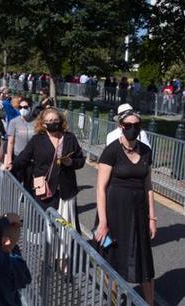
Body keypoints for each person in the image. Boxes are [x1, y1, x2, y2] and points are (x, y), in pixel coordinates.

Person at [94, 110, 156, 306]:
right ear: (121, 126)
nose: (132, 129)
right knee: (112, 258)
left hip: (138, 213)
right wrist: (103, 222)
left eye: (136, 125)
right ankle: (113, 301)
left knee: (144, 258)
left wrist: (152, 218)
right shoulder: (111, 150)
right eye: (128, 125)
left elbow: (148, 187)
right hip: (113, 213)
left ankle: (150, 302)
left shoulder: (146, 151)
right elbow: (101, 188)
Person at [11, 108, 85, 224]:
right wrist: (10, 166)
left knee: (65, 225)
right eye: (49, 121)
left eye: (56, 120)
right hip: (45, 190)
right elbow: (23, 158)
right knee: (44, 224)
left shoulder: (70, 138)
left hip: (66, 191)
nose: (53, 123)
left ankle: (63, 242)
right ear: (43, 124)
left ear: (61, 121)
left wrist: (71, 162)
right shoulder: (37, 140)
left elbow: (80, 160)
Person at [3, 98, 36, 191]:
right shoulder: (14, 122)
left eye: (25, 107)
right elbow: (10, 142)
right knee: (17, 181)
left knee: (29, 183)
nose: (22, 109)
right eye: (20, 107)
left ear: (30, 107)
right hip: (18, 156)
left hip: (31, 158)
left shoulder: (36, 122)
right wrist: (9, 157)